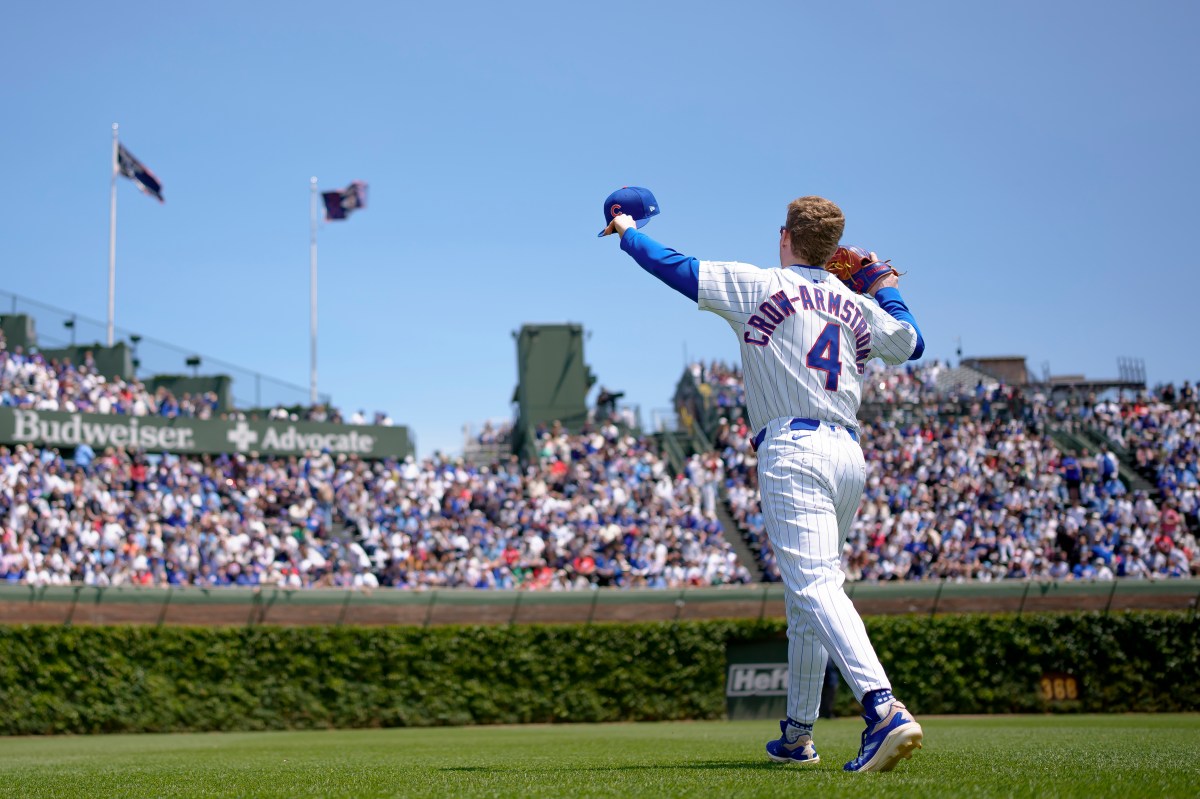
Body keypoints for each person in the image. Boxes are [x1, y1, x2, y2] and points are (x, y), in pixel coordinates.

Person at [601, 194, 925, 772]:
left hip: (793, 446)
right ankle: (797, 734)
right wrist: (883, 286)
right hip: (848, 454)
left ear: (785, 236)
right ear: (834, 250)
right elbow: (911, 342)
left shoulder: (759, 284)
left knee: (816, 585)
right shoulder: (855, 303)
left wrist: (626, 229)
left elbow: (672, 265)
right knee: (806, 596)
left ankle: (882, 710)